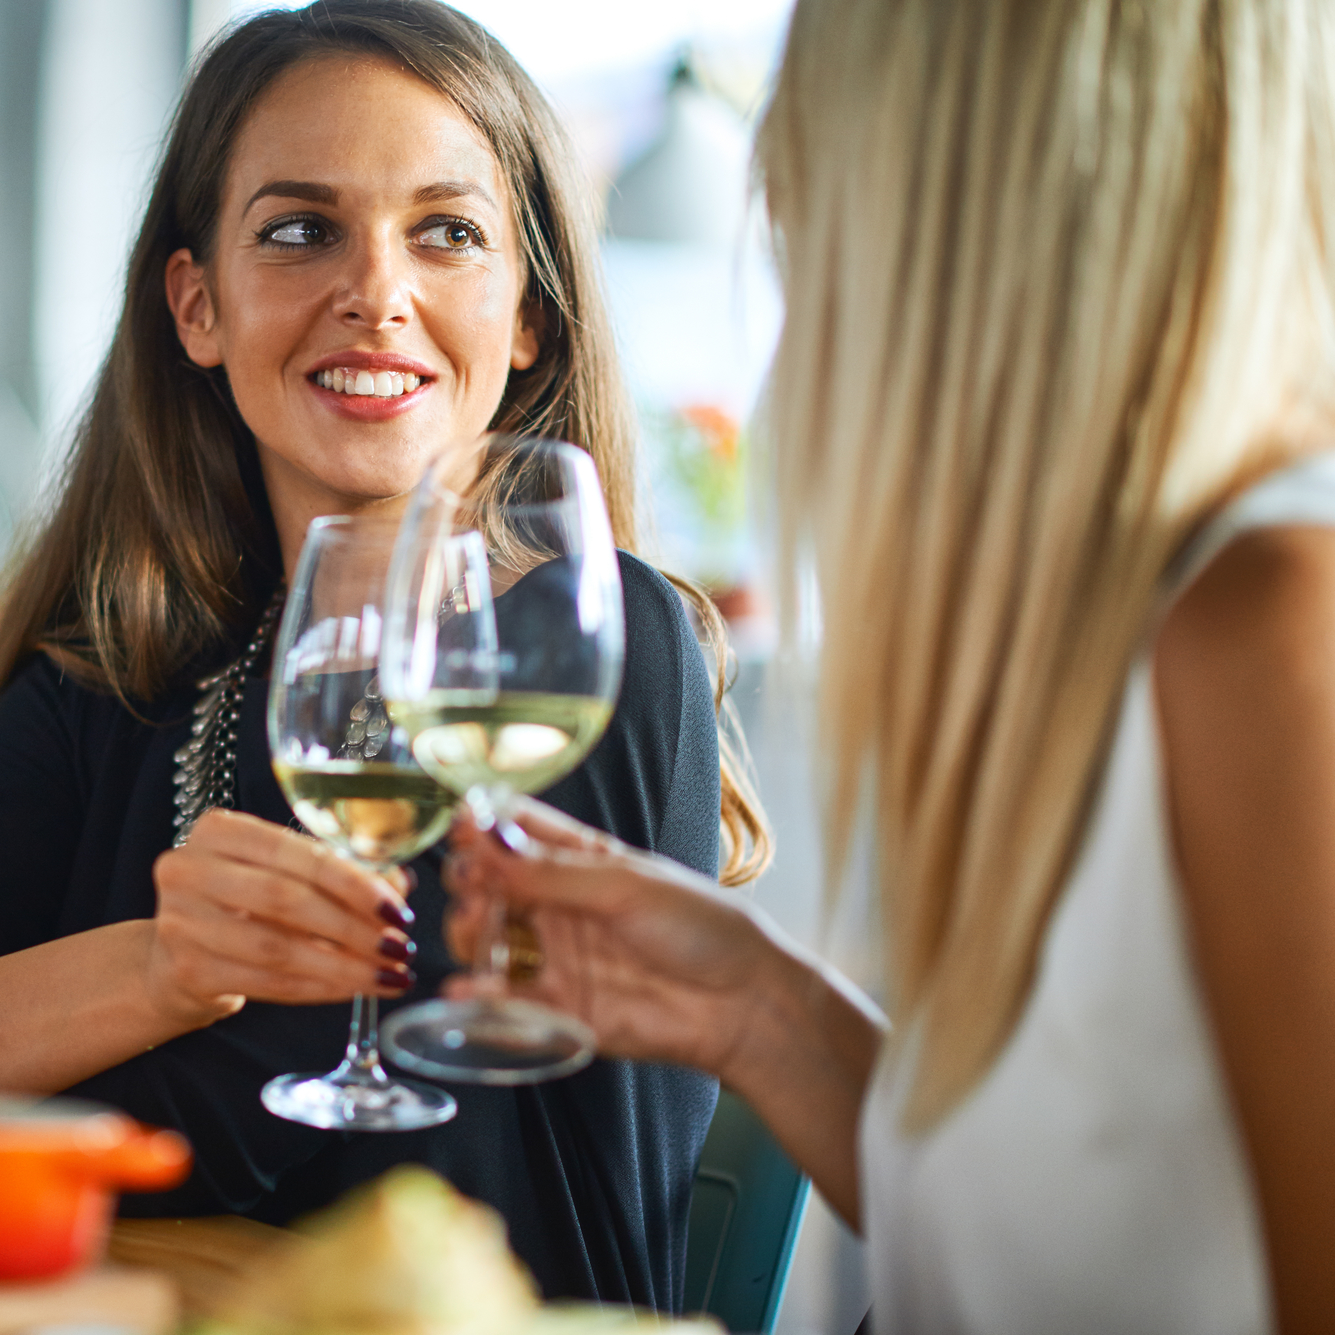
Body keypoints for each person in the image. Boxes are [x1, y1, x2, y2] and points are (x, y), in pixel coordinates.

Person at [0, 0, 769, 1308]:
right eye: (299, 231)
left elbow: (383, 1149)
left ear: (529, 319)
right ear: (198, 305)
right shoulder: (118, 674)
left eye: (446, 233)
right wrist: (159, 970)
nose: (377, 294)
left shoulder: (586, 650)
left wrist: (26, 1057)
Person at [437, 0, 1335, 1331]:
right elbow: (1076, 1234)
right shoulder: (1097, 639)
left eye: (806, 227)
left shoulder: (1277, 629)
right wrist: (760, 1006)